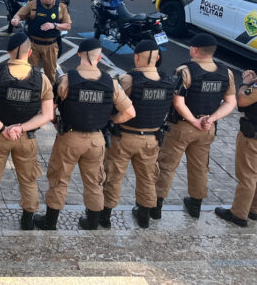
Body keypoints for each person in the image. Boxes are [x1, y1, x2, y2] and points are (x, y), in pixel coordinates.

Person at [34, 38, 135, 230]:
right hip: (97, 140)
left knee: (59, 179)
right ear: (99, 57)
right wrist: (111, 120)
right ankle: (92, 222)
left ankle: (50, 221)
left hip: (69, 138)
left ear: (79, 54)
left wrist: (56, 121)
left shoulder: (66, 80)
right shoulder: (110, 83)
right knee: (95, 182)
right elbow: (130, 113)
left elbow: (49, 110)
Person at [0, 32, 54, 231]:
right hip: (26, 138)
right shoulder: (42, 79)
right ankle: (28, 221)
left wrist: (4, 128)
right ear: (30, 52)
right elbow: (48, 114)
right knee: (29, 180)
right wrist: (21, 128)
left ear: (7, 52)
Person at [154, 33, 236, 220]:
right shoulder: (226, 73)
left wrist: (193, 120)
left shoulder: (185, 71)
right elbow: (231, 102)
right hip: (207, 129)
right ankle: (195, 205)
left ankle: (156, 207)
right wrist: (210, 119)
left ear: (195, 49)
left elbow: (178, 102)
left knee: (167, 165)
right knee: (200, 167)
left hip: (182, 127)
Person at [101, 40, 174, 229]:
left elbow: (113, 104)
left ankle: (105, 216)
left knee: (113, 176)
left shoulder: (128, 80)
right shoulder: (168, 82)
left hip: (124, 137)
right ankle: (144, 216)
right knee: (148, 178)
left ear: (135, 57)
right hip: (151, 139)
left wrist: (113, 119)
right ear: (157, 58)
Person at [215, 69, 257, 227]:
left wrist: (246, 83)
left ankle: (239, 214)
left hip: (253, 138)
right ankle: (253, 209)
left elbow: (242, 100)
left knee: (247, 176)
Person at [10, 0, 71, 85]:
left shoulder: (61, 7)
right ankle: (32, 93)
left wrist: (54, 25)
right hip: (33, 45)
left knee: (50, 74)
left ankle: (49, 95)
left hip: (51, 46)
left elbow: (68, 25)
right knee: (31, 73)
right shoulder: (32, 4)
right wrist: (15, 19)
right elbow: (19, 14)